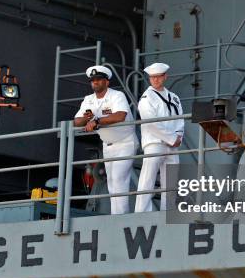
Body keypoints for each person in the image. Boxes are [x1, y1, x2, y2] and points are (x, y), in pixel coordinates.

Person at [74, 66, 138, 215]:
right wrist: (87, 118)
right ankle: (116, 216)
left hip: (125, 142)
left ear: (106, 82)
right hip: (108, 145)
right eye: (93, 80)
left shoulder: (117, 96)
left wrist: (97, 121)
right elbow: (77, 122)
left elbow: (120, 116)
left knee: (118, 179)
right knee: (111, 184)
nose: (95, 82)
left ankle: (120, 217)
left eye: (98, 80)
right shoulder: (88, 100)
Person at [135, 63, 184, 213]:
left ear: (165, 77)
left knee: (170, 182)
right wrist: (171, 137)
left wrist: (178, 136)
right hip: (154, 142)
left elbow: (180, 119)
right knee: (147, 179)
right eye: (152, 77)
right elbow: (150, 123)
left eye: (158, 77)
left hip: (173, 145)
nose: (155, 80)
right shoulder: (146, 97)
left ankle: (167, 212)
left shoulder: (174, 97)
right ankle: (141, 213)